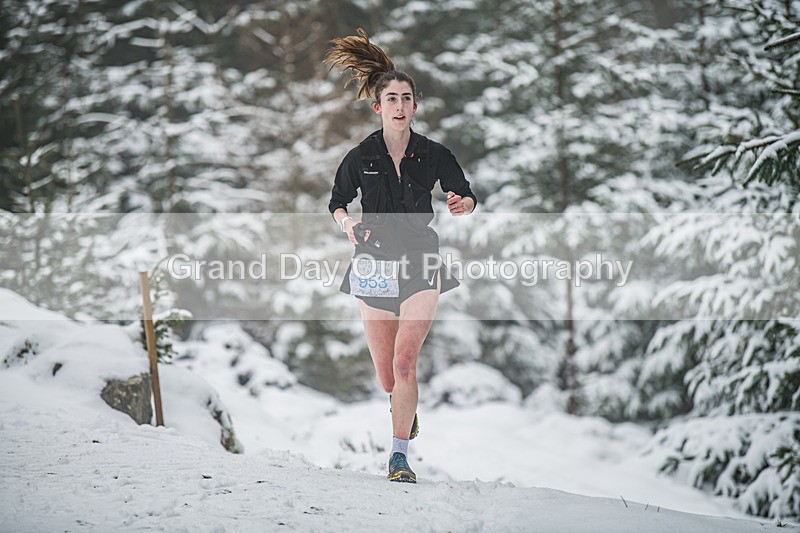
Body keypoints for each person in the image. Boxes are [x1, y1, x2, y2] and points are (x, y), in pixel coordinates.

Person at [324, 29, 477, 484]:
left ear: (414, 106)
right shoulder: (361, 155)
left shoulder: (432, 154)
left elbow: (466, 195)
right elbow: (336, 202)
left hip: (420, 260)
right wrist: (347, 223)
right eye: (390, 97)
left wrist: (461, 204)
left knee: (405, 362)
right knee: (387, 378)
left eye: (405, 97)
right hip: (372, 262)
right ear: (378, 107)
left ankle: (398, 456)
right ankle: (404, 409)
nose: (398, 104)